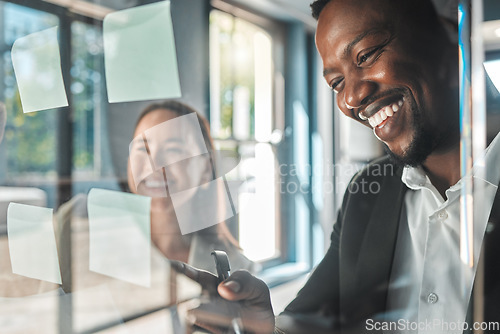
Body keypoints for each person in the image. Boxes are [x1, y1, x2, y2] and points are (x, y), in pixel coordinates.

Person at [172, 0, 500, 333]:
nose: (352, 98)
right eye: (336, 83)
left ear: (447, 31)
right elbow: (312, 320)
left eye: (366, 55)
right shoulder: (367, 191)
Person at [127, 100, 256, 273]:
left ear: (205, 169)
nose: (154, 164)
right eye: (143, 149)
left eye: (173, 149)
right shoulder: (91, 242)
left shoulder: (237, 271)